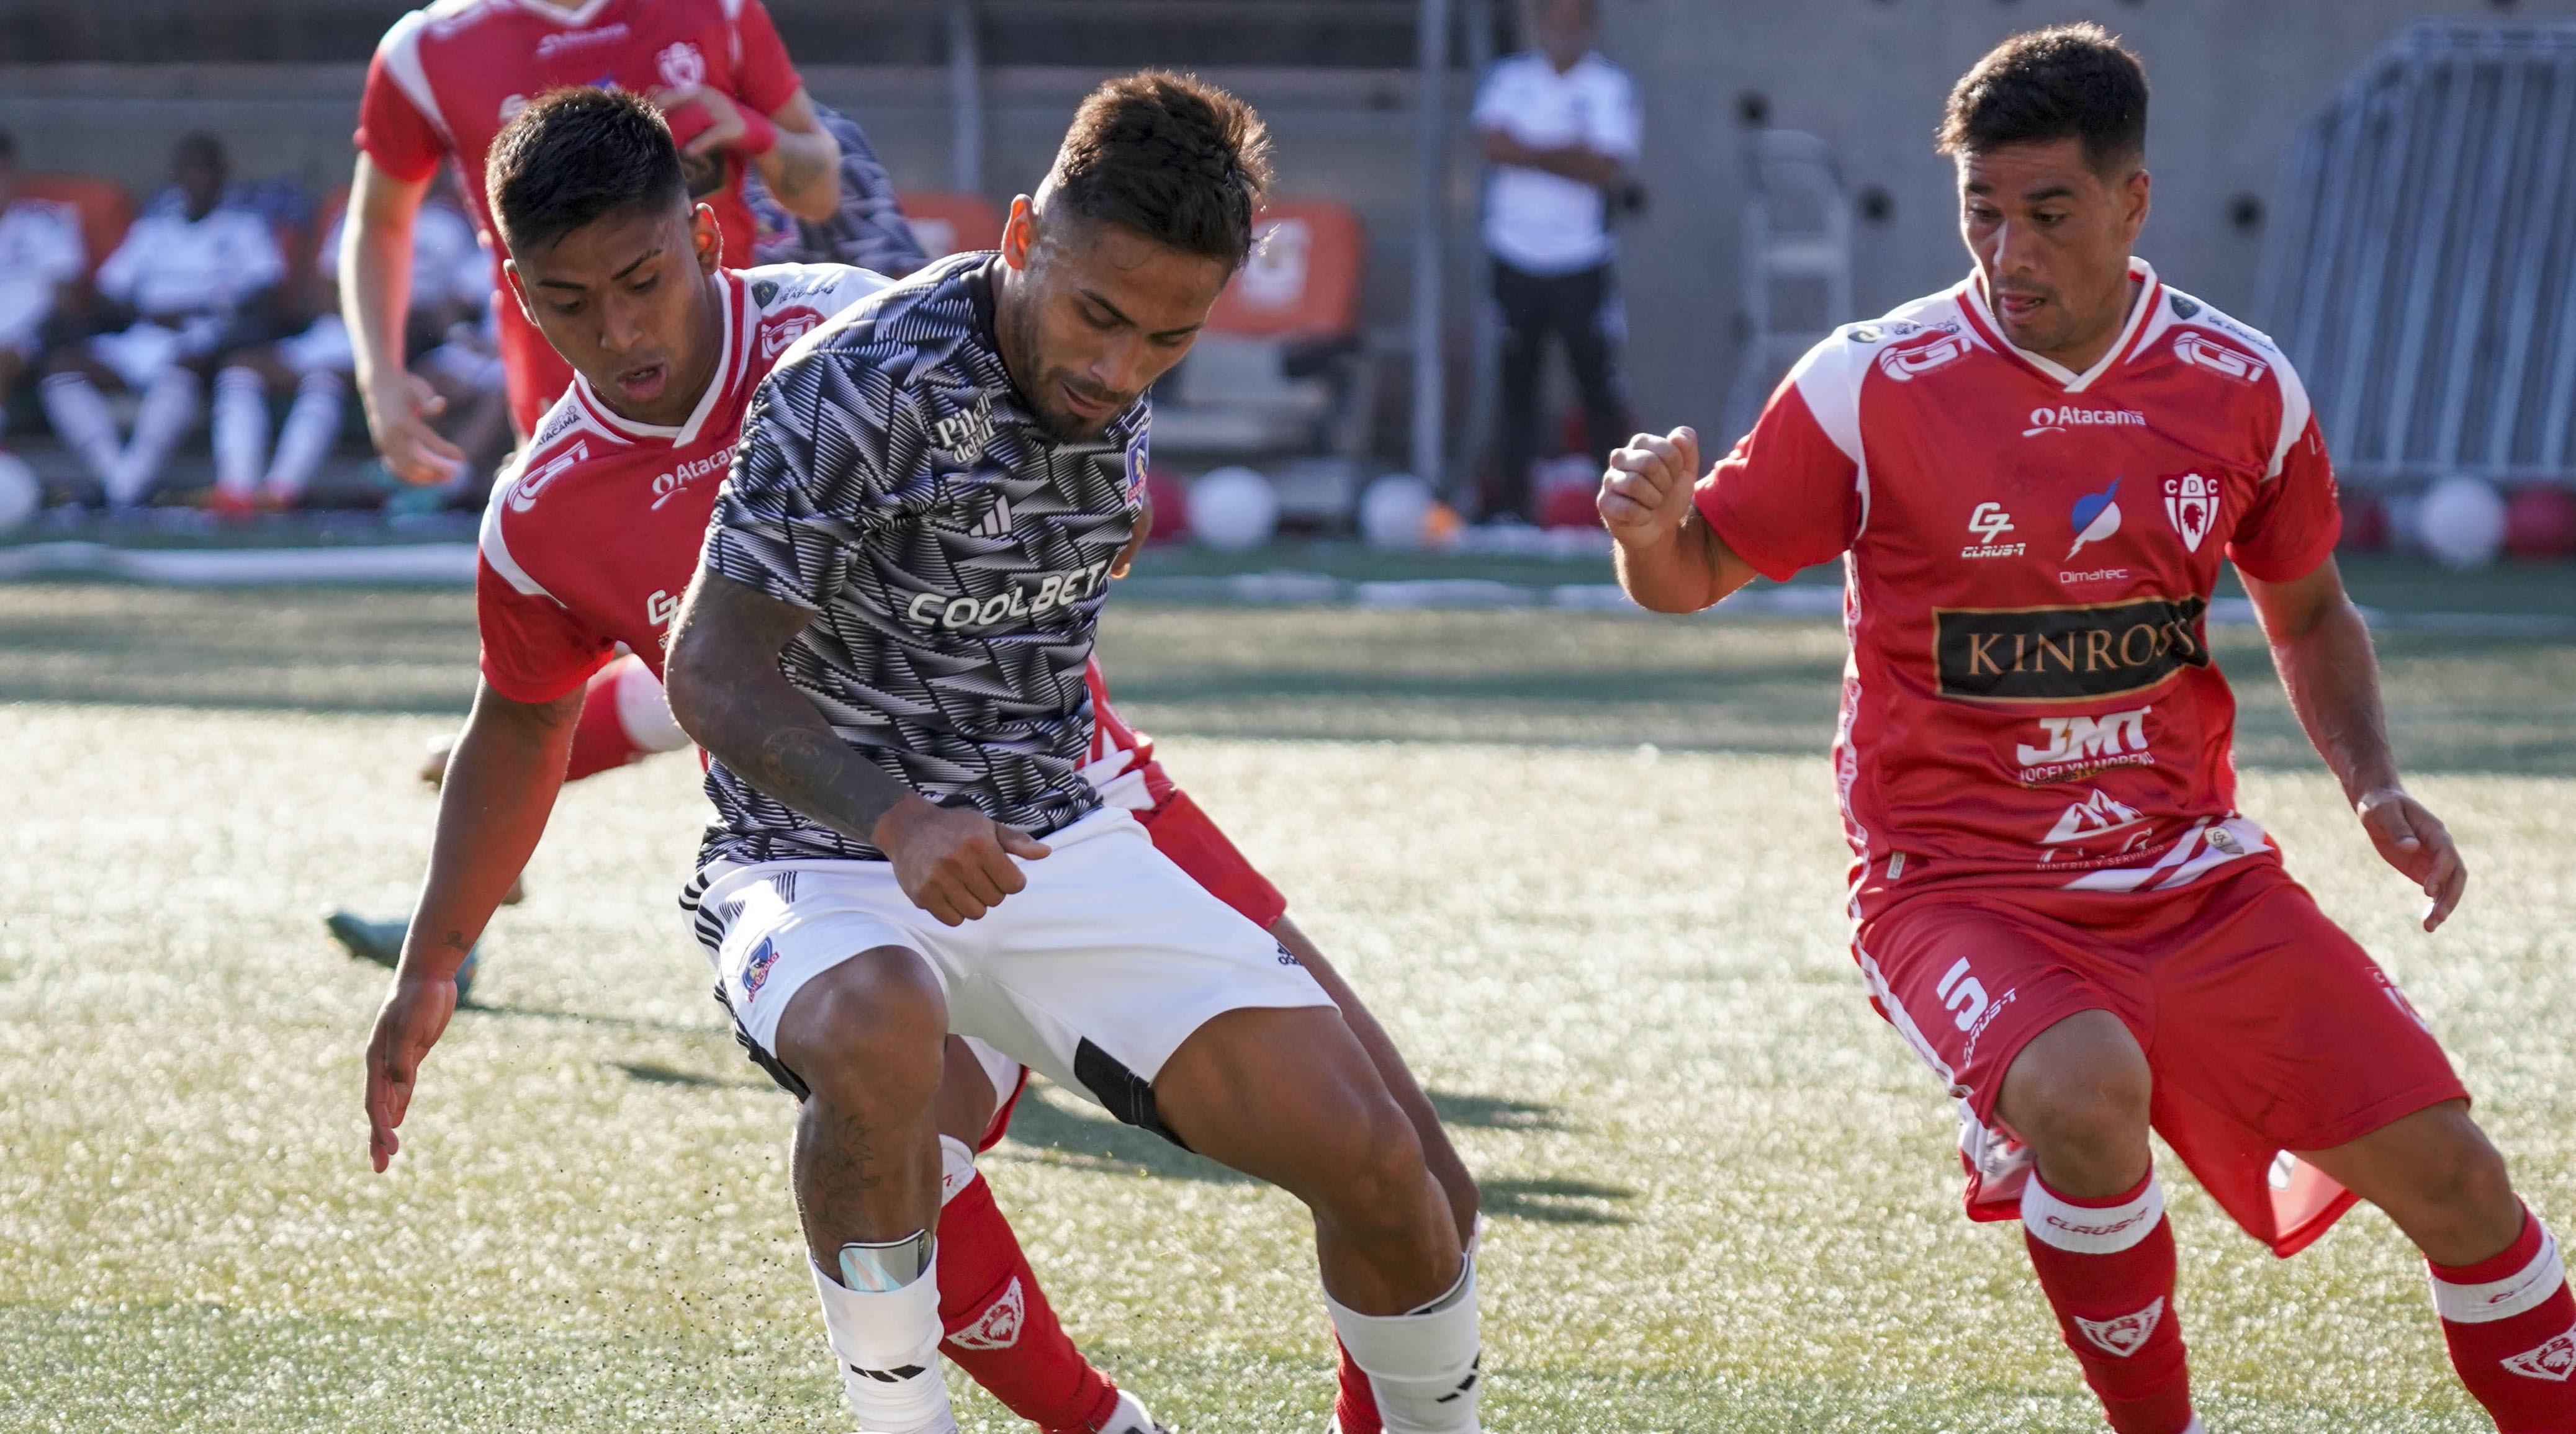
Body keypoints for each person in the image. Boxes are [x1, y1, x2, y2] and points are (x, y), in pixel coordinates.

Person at [1603, 25, 2570, 1434]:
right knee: (2082, 1086)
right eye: (1979, 213)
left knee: (2459, 1183)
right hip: (1955, 887)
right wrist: (1644, 533)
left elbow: (2306, 614)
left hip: (2191, 875)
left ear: (2130, 202)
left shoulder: (2238, 386)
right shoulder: (1868, 384)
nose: (2008, 250)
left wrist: (2370, 787)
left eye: (2045, 213)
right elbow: (1687, 575)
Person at [661, 71, 1485, 1434]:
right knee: (873, 1022)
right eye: (1096, 315)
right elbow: (707, 668)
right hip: (817, 856)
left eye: (1168, 338)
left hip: (1054, 835)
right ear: (1017, 237)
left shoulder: (1117, 378)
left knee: (1393, 1177)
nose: (1116, 368)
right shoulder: (859, 386)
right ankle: (898, 1416)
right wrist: (897, 818)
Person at [345, 0, 844, 489]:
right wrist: (380, 380)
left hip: (745, 396)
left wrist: (754, 131)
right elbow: (380, 222)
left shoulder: (719, 9)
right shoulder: (427, 49)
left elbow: (822, 194)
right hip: (565, 420)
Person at [210, 170, 497, 513]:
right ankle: (236, 487)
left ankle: (281, 491)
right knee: (240, 370)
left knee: (324, 380)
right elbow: (324, 289)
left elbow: (442, 305)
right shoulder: (356, 212)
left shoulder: (447, 226)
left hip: (392, 339)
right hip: (338, 331)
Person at [39, 132, 283, 511]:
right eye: (188, 168)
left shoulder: (245, 227)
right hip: (144, 333)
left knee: (180, 369)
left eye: (205, 168)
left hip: (204, 337)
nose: (196, 177)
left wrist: (207, 311)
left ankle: (122, 490)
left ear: (223, 174)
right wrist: (146, 313)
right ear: (176, 175)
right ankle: (120, 481)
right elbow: (107, 292)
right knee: (62, 369)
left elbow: (266, 294)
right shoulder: (154, 229)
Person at [1473, 0, 1639, 523]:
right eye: (1555, 19)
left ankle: (1616, 510)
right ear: (1541, 24)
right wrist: (1565, 151)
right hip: (1514, 253)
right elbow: (1493, 145)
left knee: (1596, 384)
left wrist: (1532, 150)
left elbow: (1604, 166)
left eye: (1575, 21)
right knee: (1516, 379)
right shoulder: (1510, 78)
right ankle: (1516, 510)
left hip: (1581, 259)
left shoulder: (1610, 86)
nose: (1564, 30)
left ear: (1590, 27)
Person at [0, 130, 88, 455]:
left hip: (28, 337)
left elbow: (66, 294)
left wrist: (40, 329)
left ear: (11, 173)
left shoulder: (46, 221)